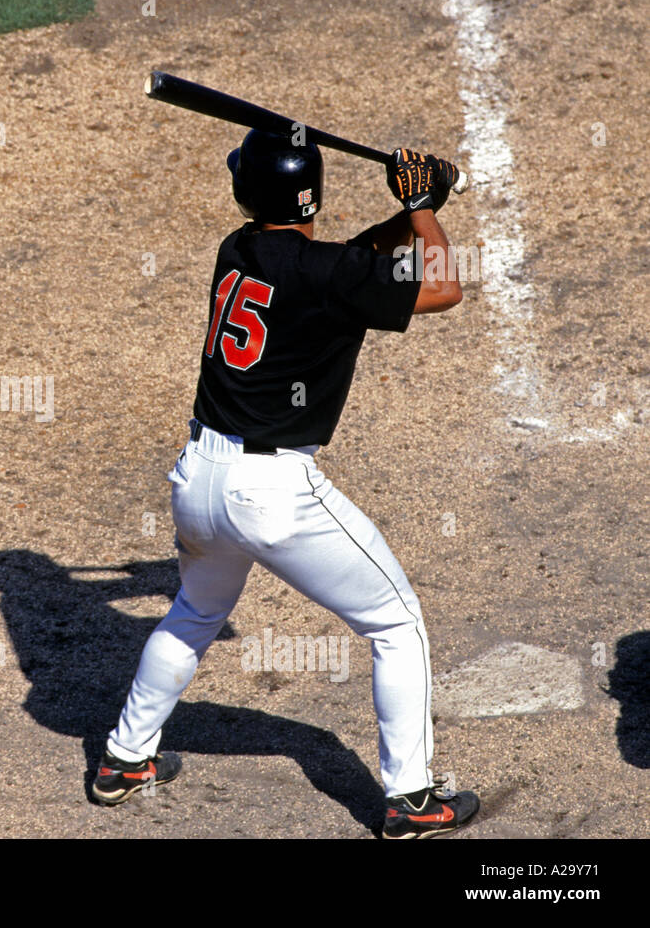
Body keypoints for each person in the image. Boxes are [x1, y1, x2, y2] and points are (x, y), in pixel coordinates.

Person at [92, 135, 480, 839]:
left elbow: (346, 265)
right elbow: (445, 287)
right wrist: (423, 209)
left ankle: (124, 758)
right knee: (396, 623)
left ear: (251, 198)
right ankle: (413, 800)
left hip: (199, 479)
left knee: (193, 613)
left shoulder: (236, 251)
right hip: (272, 493)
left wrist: (417, 210)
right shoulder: (327, 276)